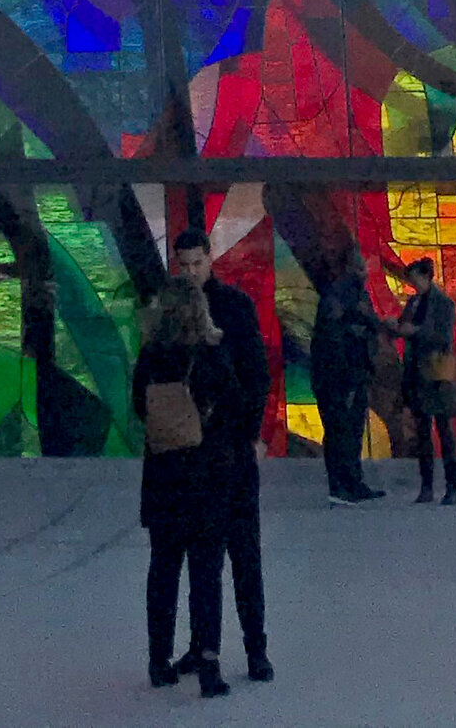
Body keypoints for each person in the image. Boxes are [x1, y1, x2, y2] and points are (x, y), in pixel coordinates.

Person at [168, 229, 275, 684]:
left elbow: (256, 373)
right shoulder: (174, 313)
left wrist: (253, 434)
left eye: (197, 263)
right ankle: (202, 647)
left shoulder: (233, 306)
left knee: (244, 555)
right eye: (185, 265)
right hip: (195, 453)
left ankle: (256, 649)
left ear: (209, 258)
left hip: (230, 448)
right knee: (204, 558)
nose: (192, 272)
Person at [132, 278, 240, 698]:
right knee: (206, 572)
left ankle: (159, 660)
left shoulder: (152, 355)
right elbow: (233, 404)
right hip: (207, 475)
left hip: (163, 477)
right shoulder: (212, 354)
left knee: (163, 569)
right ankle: (209, 660)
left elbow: (140, 408)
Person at [309, 250, 385, 505]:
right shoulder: (339, 295)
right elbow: (332, 339)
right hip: (339, 377)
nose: (365, 274)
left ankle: (353, 481)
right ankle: (341, 484)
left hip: (353, 373)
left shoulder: (353, 294)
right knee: (339, 429)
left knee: (351, 430)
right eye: (361, 268)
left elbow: (371, 323)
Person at [397, 258, 456, 505]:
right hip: (417, 374)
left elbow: (444, 337)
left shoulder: (443, 304)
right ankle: (426, 487)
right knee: (422, 433)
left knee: (444, 431)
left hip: (436, 374)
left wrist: (417, 332)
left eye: (416, 279)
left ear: (427, 277)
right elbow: (405, 326)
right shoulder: (413, 302)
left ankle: (451, 487)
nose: (413, 284)